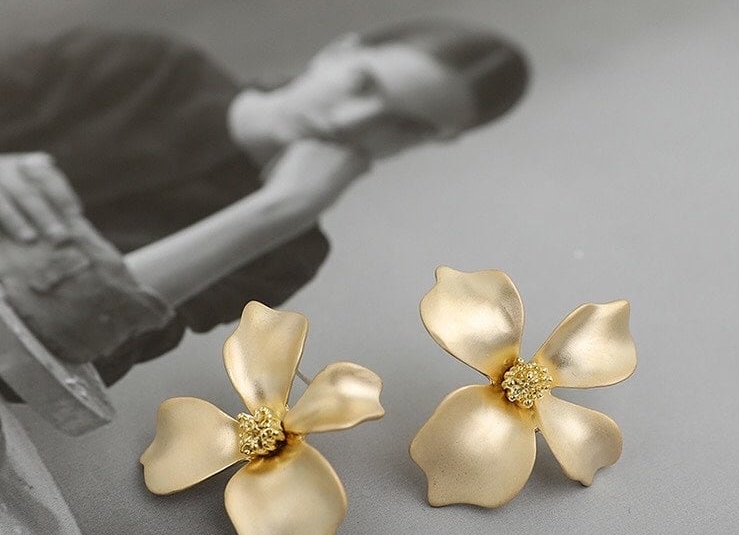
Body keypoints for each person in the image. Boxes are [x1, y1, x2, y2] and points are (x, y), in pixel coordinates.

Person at [0, 21, 529, 386]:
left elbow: (51, 359)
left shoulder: (286, 250)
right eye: (363, 84)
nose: (350, 121)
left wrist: (278, 210)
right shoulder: (144, 63)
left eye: (404, 125)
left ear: (432, 142)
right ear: (338, 52)